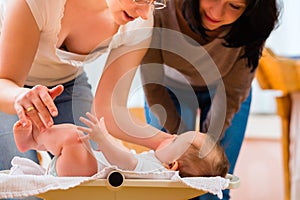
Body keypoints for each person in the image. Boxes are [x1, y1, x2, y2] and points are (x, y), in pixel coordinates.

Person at [0, 0, 167, 175]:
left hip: (67, 84)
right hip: (7, 90)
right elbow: (5, 81)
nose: (145, 13)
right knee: (18, 180)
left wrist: (167, 141)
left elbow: (109, 109)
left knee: (92, 176)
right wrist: (20, 96)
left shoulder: (139, 23)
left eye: (154, 2)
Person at [140, 0, 279, 199]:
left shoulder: (253, 24)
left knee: (214, 186)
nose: (217, 12)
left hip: (225, 92)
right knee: (167, 181)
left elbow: (231, 95)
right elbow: (153, 87)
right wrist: (183, 145)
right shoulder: (161, 7)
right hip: (167, 88)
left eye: (235, 6)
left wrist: (206, 151)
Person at [13, 112, 229, 179]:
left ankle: (33, 141)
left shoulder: (155, 172)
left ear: (172, 164)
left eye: (177, 139)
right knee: (76, 136)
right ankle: (35, 141)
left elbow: (125, 160)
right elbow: (125, 158)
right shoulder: (154, 165)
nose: (171, 135)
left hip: (81, 175)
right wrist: (106, 138)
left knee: (73, 137)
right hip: (83, 170)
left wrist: (104, 139)